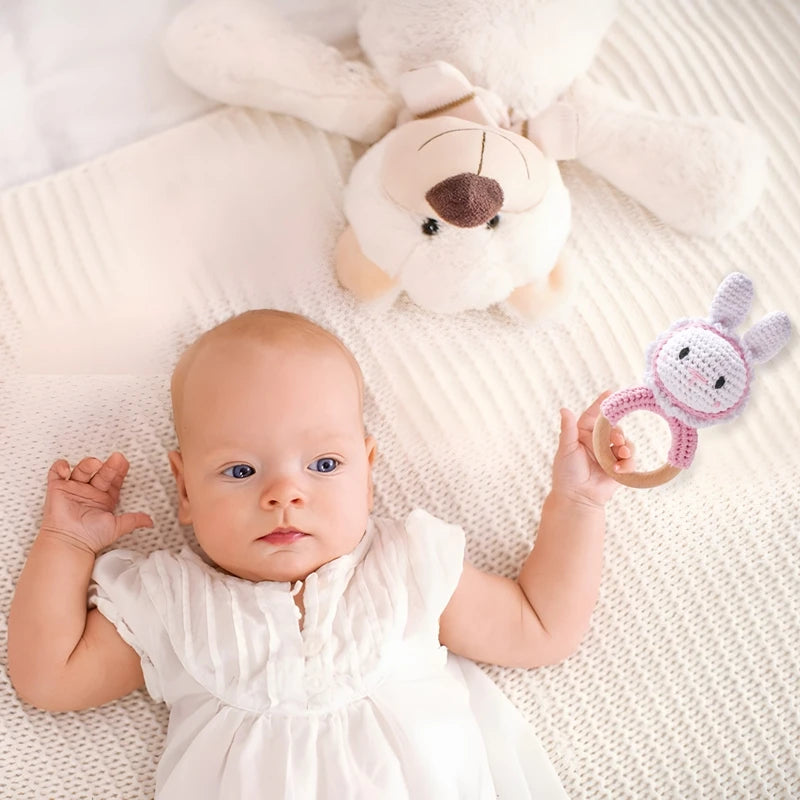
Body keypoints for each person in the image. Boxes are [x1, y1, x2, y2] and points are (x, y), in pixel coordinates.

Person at [8, 309, 634, 799]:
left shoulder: (406, 565)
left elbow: (540, 626)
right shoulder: (170, 601)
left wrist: (577, 506)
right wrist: (65, 544)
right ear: (184, 490)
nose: (285, 493)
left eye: (324, 464)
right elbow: (49, 678)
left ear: (367, 471)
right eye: (241, 469)